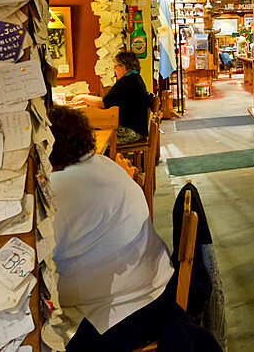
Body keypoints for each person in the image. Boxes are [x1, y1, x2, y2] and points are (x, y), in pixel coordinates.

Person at [49, 105, 173, 350]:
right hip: (154, 289)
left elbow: (43, 253)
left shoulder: (61, 187)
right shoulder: (103, 164)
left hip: (128, 311)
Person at [70, 50, 152, 145]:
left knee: (92, 140)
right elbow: (110, 102)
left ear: (124, 66)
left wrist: (84, 97)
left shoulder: (126, 81)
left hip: (131, 132)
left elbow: (104, 103)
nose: (114, 70)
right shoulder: (134, 78)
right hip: (137, 129)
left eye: (116, 67)